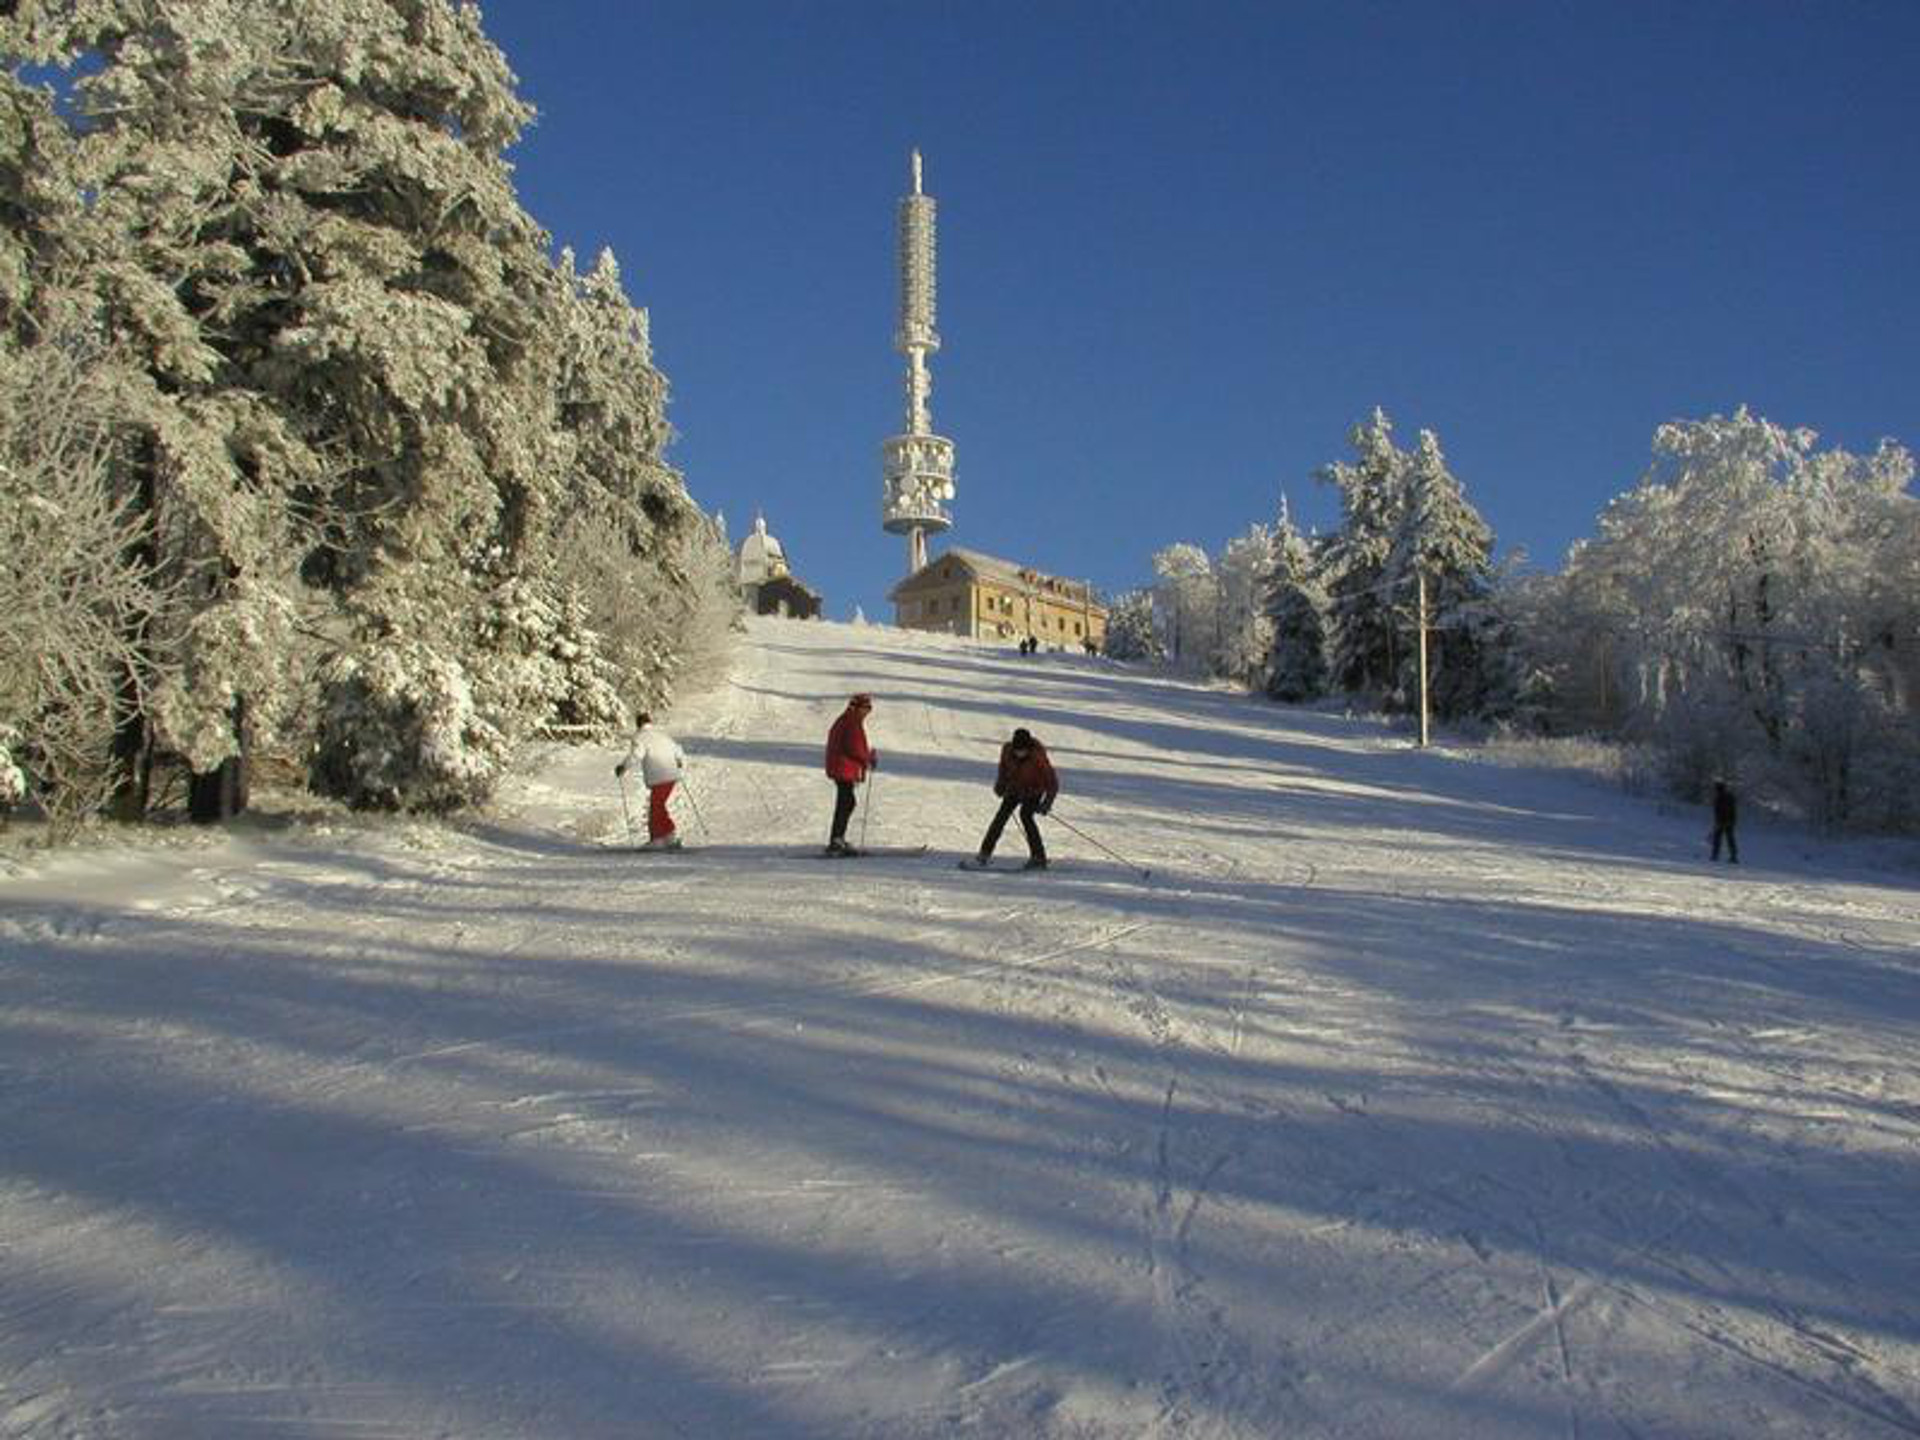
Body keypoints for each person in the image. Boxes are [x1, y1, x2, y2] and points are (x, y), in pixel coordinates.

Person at [975, 727, 1059, 869]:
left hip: (1034, 790)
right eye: (1017, 750)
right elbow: (1003, 768)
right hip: (1014, 788)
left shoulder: (1038, 755)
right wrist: (1001, 784)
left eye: (1023, 750)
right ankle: (984, 854)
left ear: (1029, 747)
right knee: (1000, 817)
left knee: (1025, 816)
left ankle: (1038, 857)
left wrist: (1047, 803)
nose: (1019, 753)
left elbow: (1052, 782)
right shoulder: (1007, 750)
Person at [615, 713, 687, 849]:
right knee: (659, 805)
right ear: (649, 722)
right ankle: (668, 836)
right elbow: (678, 750)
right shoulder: (662, 735)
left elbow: (637, 754)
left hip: (659, 776)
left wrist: (623, 767)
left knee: (656, 807)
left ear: (638, 724)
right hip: (671, 775)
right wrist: (679, 762)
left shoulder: (640, 737)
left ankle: (658, 839)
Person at [824, 693, 877, 854]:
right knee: (846, 802)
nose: (867, 713)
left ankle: (837, 839)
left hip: (841, 766)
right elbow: (854, 747)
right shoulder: (851, 722)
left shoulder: (847, 720)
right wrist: (868, 758)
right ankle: (836, 840)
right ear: (858, 707)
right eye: (866, 708)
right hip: (843, 767)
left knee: (846, 802)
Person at [1710, 779, 1739, 864]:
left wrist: (1718, 822)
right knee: (1730, 839)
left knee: (1718, 838)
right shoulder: (1730, 796)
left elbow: (1719, 811)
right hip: (1730, 821)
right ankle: (1733, 856)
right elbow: (1733, 810)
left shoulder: (1719, 798)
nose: (1715, 790)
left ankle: (1715, 855)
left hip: (1723, 821)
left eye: (1715, 788)